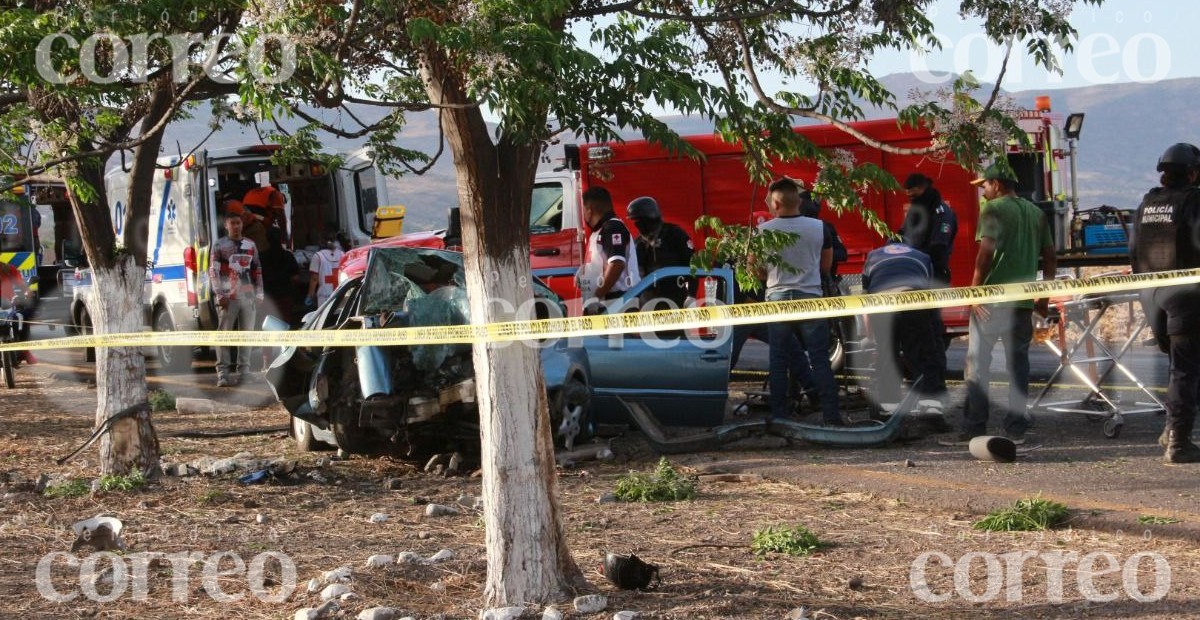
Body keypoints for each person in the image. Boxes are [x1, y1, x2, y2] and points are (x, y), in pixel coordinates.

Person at [948, 163, 1056, 445]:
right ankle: (1016, 428)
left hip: (990, 302)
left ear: (997, 184)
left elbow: (986, 251)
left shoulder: (993, 209)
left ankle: (974, 428)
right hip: (1021, 303)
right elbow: (1050, 257)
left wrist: (975, 291)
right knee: (1018, 366)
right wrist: (1043, 299)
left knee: (977, 365)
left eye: (984, 186)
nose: (982, 192)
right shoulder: (1036, 212)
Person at [1129, 143, 1200, 463]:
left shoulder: (1147, 204)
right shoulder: (1193, 201)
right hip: (1187, 296)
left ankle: (1172, 431)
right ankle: (1179, 443)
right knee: (1185, 371)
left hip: (1153, 294)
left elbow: (1134, 252)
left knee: (1179, 368)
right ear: (1192, 172)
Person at [755, 177, 841, 426]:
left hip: (777, 299)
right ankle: (831, 416)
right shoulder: (819, 228)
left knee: (779, 360)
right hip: (811, 298)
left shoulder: (763, 231)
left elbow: (756, 271)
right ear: (799, 202)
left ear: (777, 203)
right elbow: (826, 267)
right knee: (819, 359)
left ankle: (781, 417)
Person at [861, 240, 945, 416]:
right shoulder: (922, 256)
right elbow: (927, 291)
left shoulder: (873, 256)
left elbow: (866, 297)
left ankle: (888, 406)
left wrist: (870, 335)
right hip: (912, 298)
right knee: (922, 353)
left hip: (881, 302)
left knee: (887, 354)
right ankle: (930, 405)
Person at [901, 172, 959, 380]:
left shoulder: (942, 213)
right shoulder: (915, 212)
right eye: (908, 192)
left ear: (925, 187)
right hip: (911, 280)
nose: (910, 195)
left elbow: (939, 249)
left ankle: (935, 382)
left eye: (914, 190)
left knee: (931, 334)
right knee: (912, 333)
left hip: (931, 279)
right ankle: (919, 377)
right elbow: (902, 239)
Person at [209, 211, 264, 387]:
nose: (236, 226)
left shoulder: (250, 245)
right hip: (228, 297)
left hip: (248, 296)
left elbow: (257, 269)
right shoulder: (219, 245)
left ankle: (244, 373)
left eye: (238, 223)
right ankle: (223, 374)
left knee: (246, 334)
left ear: (242, 224)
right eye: (232, 223)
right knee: (224, 335)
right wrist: (220, 294)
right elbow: (213, 272)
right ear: (226, 225)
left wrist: (260, 293)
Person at [577, 187, 640, 315]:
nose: (583, 215)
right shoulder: (600, 231)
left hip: (617, 302)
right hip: (607, 302)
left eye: (583, 210)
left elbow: (617, 264)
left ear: (589, 211)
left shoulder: (612, 228)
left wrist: (597, 296)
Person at [306, 229, 346, 309]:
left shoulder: (318, 256)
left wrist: (310, 295)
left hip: (324, 298)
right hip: (340, 295)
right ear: (335, 240)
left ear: (320, 240)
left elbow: (314, 279)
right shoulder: (342, 254)